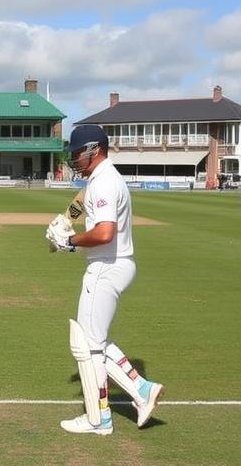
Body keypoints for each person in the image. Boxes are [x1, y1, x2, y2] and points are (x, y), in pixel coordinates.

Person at [46, 125, 164, 435]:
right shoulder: (101, 179)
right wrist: (63, 220)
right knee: (93, 340)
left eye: (76, 153)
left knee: (87, 344)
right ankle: (141, 389)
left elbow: (104, 232)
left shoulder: (105, 182)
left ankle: (99, 419)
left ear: (93, 150)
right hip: (114, 265)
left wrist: (69, 242)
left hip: (106, 266)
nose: (73, 158)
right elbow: (82, 201)